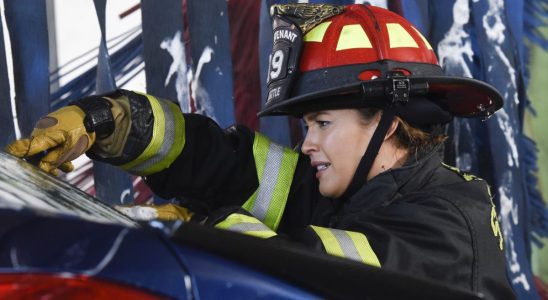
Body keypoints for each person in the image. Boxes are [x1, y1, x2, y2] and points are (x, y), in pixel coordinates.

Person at [6, 3, 514, 299]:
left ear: (389, 124)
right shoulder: (344, 188)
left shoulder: (449, 227)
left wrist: (199, 228)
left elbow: (299, 266)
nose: (306, 142)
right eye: (305, 125)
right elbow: (219, 164)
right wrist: (107, 121)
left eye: (321, 123)